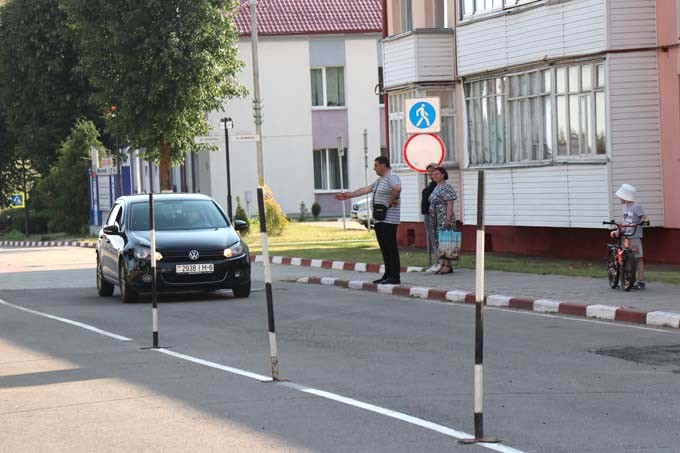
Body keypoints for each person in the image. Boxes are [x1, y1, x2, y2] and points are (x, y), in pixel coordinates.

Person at [336, 156, 402, 284]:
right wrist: (347, 195)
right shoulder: (379, 180)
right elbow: (365, 190)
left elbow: (397, 188)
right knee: (384, 248)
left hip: (389, 219)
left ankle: (395, 277)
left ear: (383, 165)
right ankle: (387, 274)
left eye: (376, 165)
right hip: (379, 220)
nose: (374, 168)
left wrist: (393, 199)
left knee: (391, 248)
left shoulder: (392, 176)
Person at [610, 183, 649, 289]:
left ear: (625, 196)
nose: (620, 198)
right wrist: (618, 230)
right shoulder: (624, 207)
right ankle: (630, 279)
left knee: (638, 259)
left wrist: (643, 222)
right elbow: (625, 221)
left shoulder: (636, 206)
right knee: (626, 258)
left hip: (634, 236)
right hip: (625, 236)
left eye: (621, 196)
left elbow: (644, 218)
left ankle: (641, 281)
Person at [428, 167, 457, 275]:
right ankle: (442, 264)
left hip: (443, 217)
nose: (434, 176)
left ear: (443, 175)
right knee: (440, 241)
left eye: (437, 174)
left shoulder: (447, 187)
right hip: (435, 218)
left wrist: (448, 219)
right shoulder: (436, 187)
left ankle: (448, 266)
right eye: (433, 174)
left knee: (446, 241)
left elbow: (450, 203)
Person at [420, 163, 438, 272]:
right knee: (433, 239)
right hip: (427, 214)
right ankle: (437, 262)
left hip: (434, 215)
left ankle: (439, 263)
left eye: (433, 171)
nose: (431, 174)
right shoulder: (431, 185)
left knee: (436, 239)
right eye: (429, 172)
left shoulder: (439, 186)